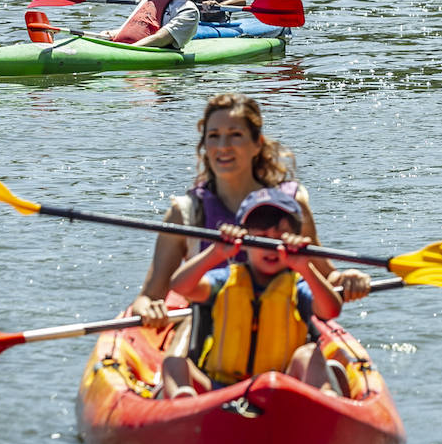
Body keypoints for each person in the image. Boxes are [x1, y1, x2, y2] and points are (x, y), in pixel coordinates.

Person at [129, 93, 370, 329]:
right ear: (205, 146)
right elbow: (149, 296)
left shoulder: (291, 204)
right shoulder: (185, 213)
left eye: (235, 135)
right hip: (213, 335)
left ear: (257, 144)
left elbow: (327, 276)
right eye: (214, 136)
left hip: (284, 330)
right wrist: (149, 309)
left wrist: (349, 279)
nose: (223, 147)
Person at [159, 187, 341, 398]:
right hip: (220, 392)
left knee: (309, 354)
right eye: (262, 238)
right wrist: (215, 253)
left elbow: (330, 310)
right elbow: (180, 287)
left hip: (282, 391)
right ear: (245, 242)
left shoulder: (298, 286)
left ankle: (325, 401)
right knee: (174, 362)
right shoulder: (225, 279)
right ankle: (183, 401)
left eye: (279, 238)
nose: (270, 247)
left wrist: (304, 267)